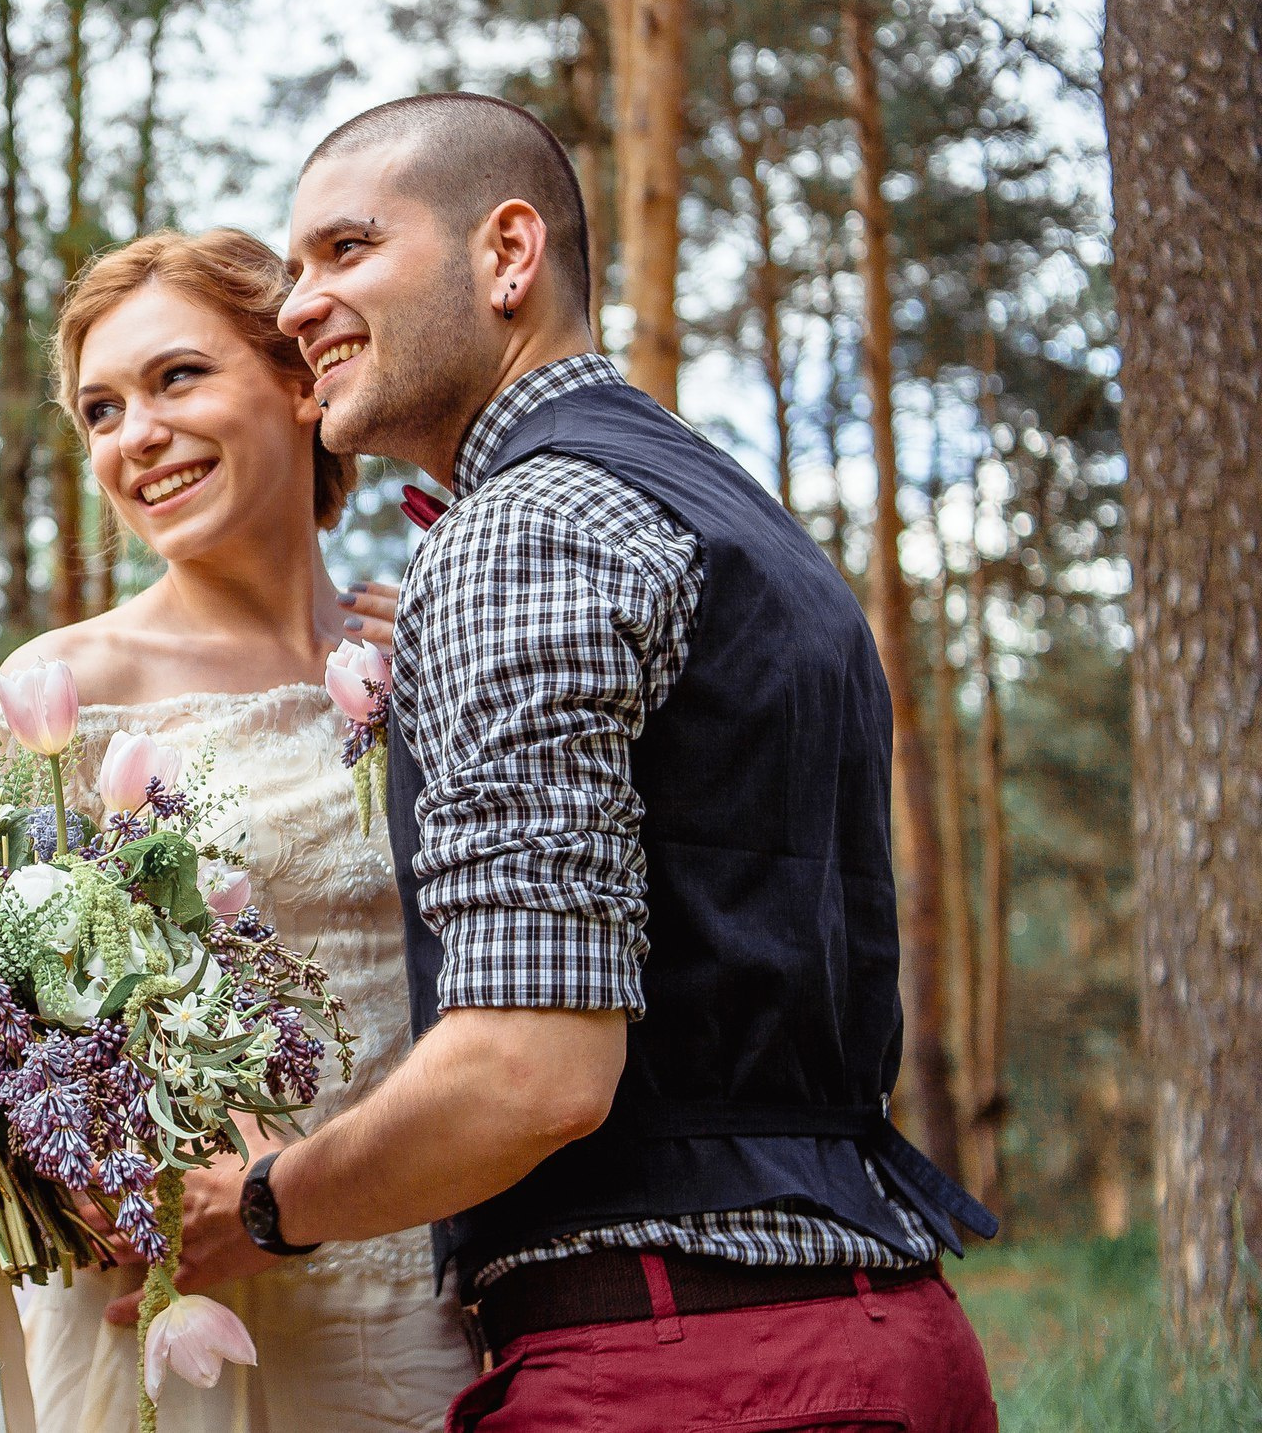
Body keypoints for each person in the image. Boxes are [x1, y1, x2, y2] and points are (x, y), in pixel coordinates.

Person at [165, 92, 998, 1430]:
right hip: (888, 1332)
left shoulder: (523, 524)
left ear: (508, 255)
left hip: (680, 1364)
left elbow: (531, 1069)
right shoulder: (730, 509)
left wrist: (265, 1201)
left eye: (346, 247)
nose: (297, 304)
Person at [0, 226, 475, 1432]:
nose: (136, 437)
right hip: (146, 1312)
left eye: (176, 378)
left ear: (296, 378)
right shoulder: (58, 692)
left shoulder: (422, 652)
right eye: (101, 411)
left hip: (402, 1303)